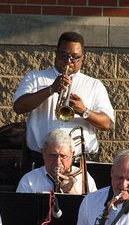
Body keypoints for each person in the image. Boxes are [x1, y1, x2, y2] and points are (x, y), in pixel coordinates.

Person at [13, 31, 115, 169]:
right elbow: (18, 107)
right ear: (56, 53)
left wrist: (84, 111)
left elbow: (107, 123)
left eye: (75, 57)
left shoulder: (94, 85)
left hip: (78, 162)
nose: (69, 61)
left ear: (83, 58)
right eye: (64, 55)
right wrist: (50, 89)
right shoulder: (35, 77)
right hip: (39, 160)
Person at [16, 129, 97, 194]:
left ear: (72, 154)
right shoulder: (28, 180)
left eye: (63, 156)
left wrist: (72, 192)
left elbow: (93, 210)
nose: (58, 162)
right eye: (53, 155)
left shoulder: (84, 177)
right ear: (43, 153)